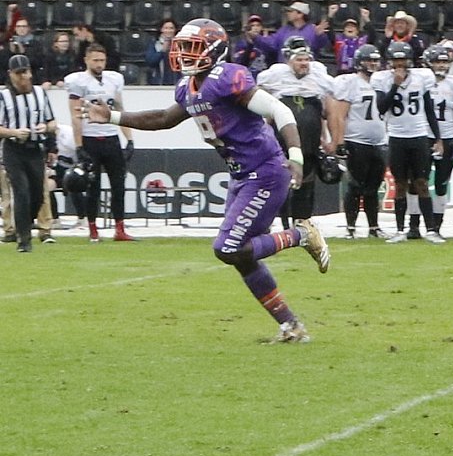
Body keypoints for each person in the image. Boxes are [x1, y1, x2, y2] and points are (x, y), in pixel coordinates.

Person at [83, 20, 330, 340]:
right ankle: (291, 325)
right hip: (242, 176)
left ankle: (301, 234)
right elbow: (163, 118)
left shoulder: (227, 77)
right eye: (183, 47)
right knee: (242, 257)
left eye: (193, 47)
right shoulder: (188, 87)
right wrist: (113, 117)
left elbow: (279, 110)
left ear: (214, 50)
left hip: (265, 171)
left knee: (227, 248)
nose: (184, 53)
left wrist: (295, 156)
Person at [257, 38, 336, 231]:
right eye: (299, 59)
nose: (304, 63)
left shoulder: (319, 75)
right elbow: (260, 95)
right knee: (281, 181)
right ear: (289, 60)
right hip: (282, 138)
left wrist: (327, 137)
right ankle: (281, 223)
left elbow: (326, 107)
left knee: (306, 181)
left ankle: (302, 224)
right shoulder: (275, 74)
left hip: (309, 138)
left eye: (306, 59)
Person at [371, 44, 442, 242]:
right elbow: (381, 108)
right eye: (396, 60)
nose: (399, 64)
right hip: (396, 136)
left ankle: (431, 230)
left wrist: (437, 137)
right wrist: (395, 85)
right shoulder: (382, 79)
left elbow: (429, 109)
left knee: (422, 183)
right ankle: (400, 230)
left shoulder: (421, 78)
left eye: (402, 60)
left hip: (419, 135)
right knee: (400, 184)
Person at [64, 44, 135, 242]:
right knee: (92, 187)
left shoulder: (114, 79)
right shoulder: (78, 82)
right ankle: (93, 229)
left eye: (102, 60)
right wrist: (79, 146)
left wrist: (129, 139)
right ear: (86, 60)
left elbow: (120, 110)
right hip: (90, 138)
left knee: (118, 185)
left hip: (111, 138)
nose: (99, 64)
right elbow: (75, 116)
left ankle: (119, 229)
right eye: (95, 60)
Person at [328, 44, 389, 239]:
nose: (372, 63)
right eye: (368, 60)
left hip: (379, 142)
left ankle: (374, 227)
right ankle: (351, 227)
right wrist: (339, 142)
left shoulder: (382, 82)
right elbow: (339, 115)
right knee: (355, 186)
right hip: (356, 141)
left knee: (373, 187)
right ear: (359, 62)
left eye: (375, 60)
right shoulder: (350, 82)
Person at [1, 54, 57, 253]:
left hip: (35, 150)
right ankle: (24, 241)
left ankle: (24, 223)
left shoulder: (40, 94)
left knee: (37, 195)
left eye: (26, 72)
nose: (24, 77)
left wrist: (46, 128)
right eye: (19, 73)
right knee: (21, 192)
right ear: (11, 75)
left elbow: (52, 122)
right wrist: (14, 132)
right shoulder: (4, 96)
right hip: (14, 150)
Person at [422, 43, 453, 239]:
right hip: (424, 137)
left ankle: (436, 227)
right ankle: (415, 225)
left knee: (442, 184)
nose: (441, 65)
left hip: (447, 138)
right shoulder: (421, 82)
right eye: (437, 62)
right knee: (418, 182)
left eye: (444, 62)